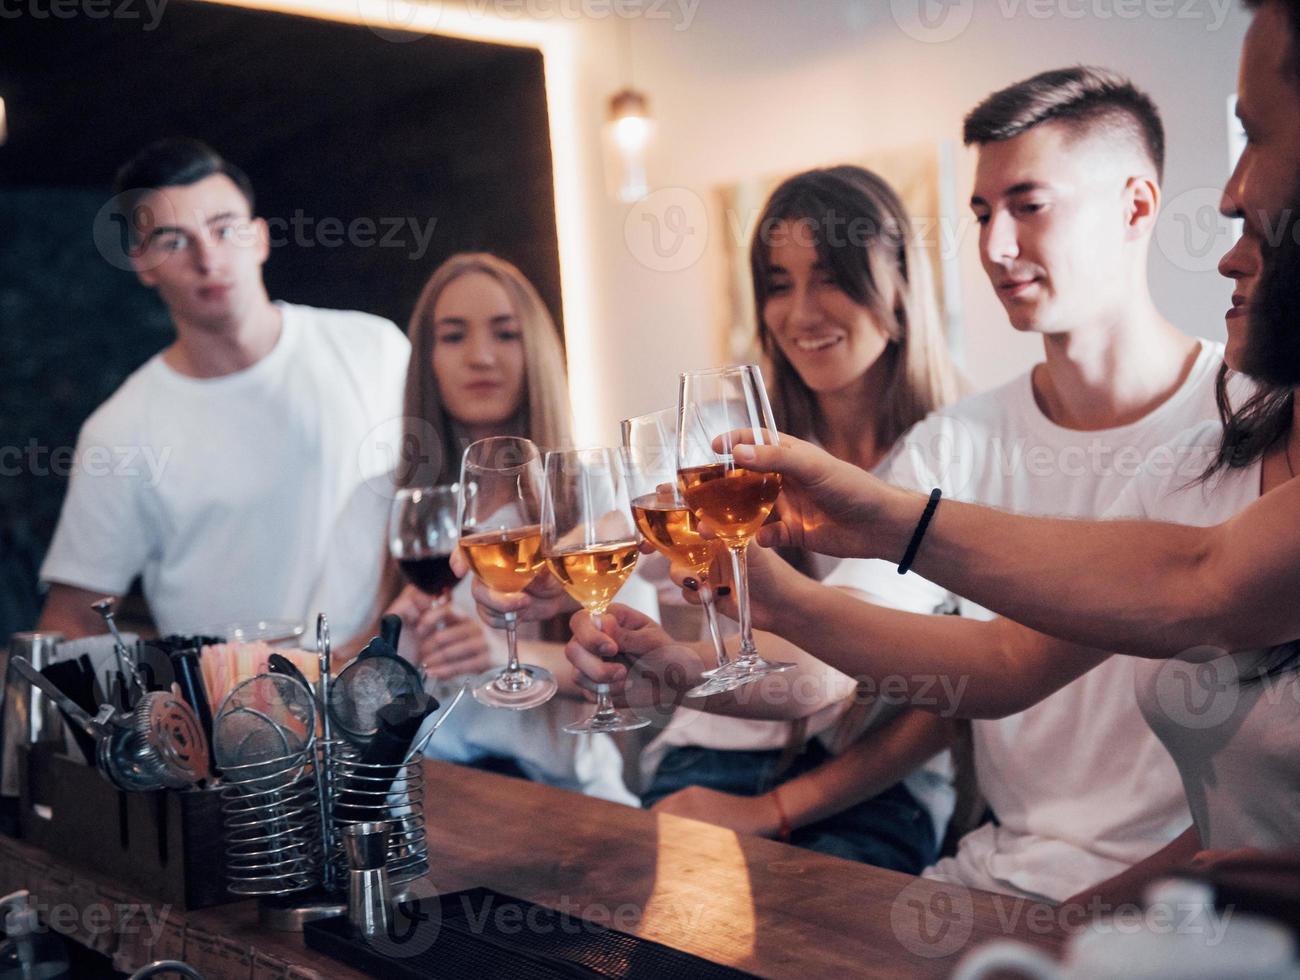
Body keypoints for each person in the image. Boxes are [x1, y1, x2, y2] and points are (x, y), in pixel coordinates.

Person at [669, 2, 1300, 829]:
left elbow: (1202, 588)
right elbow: (1016, 655)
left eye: (1253, 136)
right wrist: (775, 597)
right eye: (981, 213)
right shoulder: (1227, 460)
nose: (1230, 202)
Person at [573, 68, 1225, 902]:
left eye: (1027, 205)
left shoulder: (1247, 418)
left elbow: (1286, 795)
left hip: (1184, 906)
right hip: (990, 878)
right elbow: (828, 666)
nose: (992, 247)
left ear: (1137, 206)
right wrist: (678, 667)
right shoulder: (952, 443)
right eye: (982, 214)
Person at [478, 165, 961, 873]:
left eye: (829, 277)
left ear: (900, 285)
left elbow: (837, 661)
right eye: (778, 284)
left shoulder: (951, 448)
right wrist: (556, 572)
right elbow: (632, 517)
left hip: (866, 789)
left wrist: (762, 808)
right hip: (710, 756)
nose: (801, 313)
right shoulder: (726, 427)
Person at [36, 138, 409, 638]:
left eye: (225, 229)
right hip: (233, 706)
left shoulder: (374, 348)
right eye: (173, 240)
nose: (208, 259)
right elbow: (74, 619)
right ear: (141, 261)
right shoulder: (120, 430)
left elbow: (446, 505)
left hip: (403, 690)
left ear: (259, 238)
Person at [312, 252, 641, 803]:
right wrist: (391, 645)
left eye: (506, 334)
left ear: (534, 349)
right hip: (425, 795)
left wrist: (511, 660)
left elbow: (635, 675)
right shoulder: (376, 503)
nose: (481, 356)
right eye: (454, 336)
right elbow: (327, 685)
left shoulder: (590, 492)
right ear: (428, 359)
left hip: (572, 796)